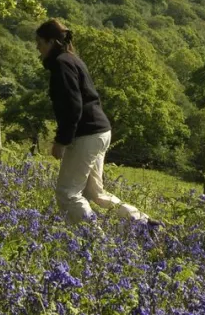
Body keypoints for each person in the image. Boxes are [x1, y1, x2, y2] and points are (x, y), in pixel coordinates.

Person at [36, 19, 150, 226]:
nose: (38, 49)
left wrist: (61, 141)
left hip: (86, 134)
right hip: (100, 131)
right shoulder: (73, 59)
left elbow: (73, 106)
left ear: (51, 42)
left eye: (40, 43)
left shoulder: (62, 64)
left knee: (67, 192)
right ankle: (143, 223)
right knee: (94, 192)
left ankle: (91, 238)